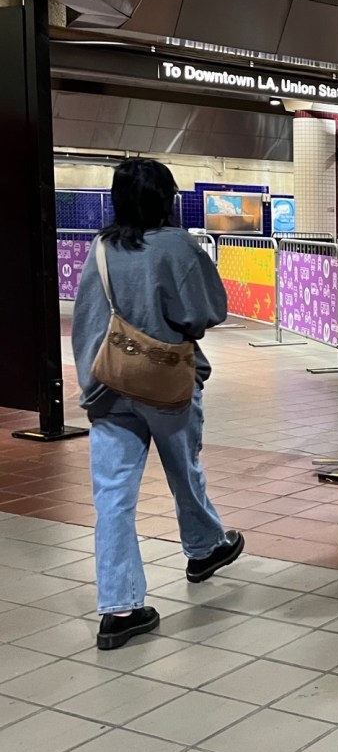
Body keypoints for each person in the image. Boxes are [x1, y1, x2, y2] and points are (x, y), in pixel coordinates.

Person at [72, 159, 244, 650]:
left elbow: (87, 320)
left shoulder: (101, 248)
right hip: (167, 385)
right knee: (183, 470)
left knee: (112, 498)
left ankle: (119, 609)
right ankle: (203, 548)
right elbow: (206, 311)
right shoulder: (177, 246)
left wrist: (93, 383)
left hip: (109, 388)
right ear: (167, 199)